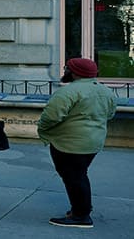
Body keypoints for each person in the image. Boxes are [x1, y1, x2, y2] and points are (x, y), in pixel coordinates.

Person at [38, 58, 116, 229]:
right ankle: (81, 209)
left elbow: (50, 117)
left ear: (74, 73)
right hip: (93, 142)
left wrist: (42, 130)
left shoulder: (68, 92)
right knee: (79, 175)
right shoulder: (105, 91)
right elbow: (110, 114)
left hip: (68, 143)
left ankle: (81, 216)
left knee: (74, 177)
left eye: (67, 68)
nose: (65, 71)